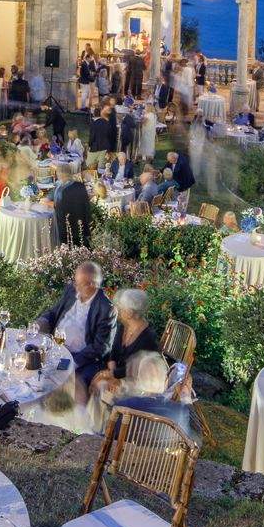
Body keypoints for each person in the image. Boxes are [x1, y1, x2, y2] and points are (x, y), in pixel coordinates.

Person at [37, 260, 116, 397]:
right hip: (56, 348)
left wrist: (72, 362)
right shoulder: (71, 291)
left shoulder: (106, 309)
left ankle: (58, 415)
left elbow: (101, 347)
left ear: (92, 285)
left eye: (79, 284)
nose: (75, 286)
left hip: (81, 358)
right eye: (75, 282)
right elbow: (54, 312)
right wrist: (41, 321)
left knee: (55, 384)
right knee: (31, 370)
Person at [94, 288, 162, 402]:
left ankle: (112, 417)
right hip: (117, 374)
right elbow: (113, 353)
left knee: (101, 386)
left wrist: (112, 375)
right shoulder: (123, 326)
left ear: (130, 313)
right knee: (97, 381)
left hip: (135, 383)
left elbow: (137, 369)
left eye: (120, 308)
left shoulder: (148, 338)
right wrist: (112, 374)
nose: (117, 311)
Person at [53, 169, 94, 246]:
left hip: (67, 225)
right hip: (81, 224)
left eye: (58, 175)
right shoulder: (80, 185)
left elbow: (59, 208)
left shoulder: (62, 190)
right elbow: (87, 205)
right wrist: (89, 220)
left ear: (62, 176)